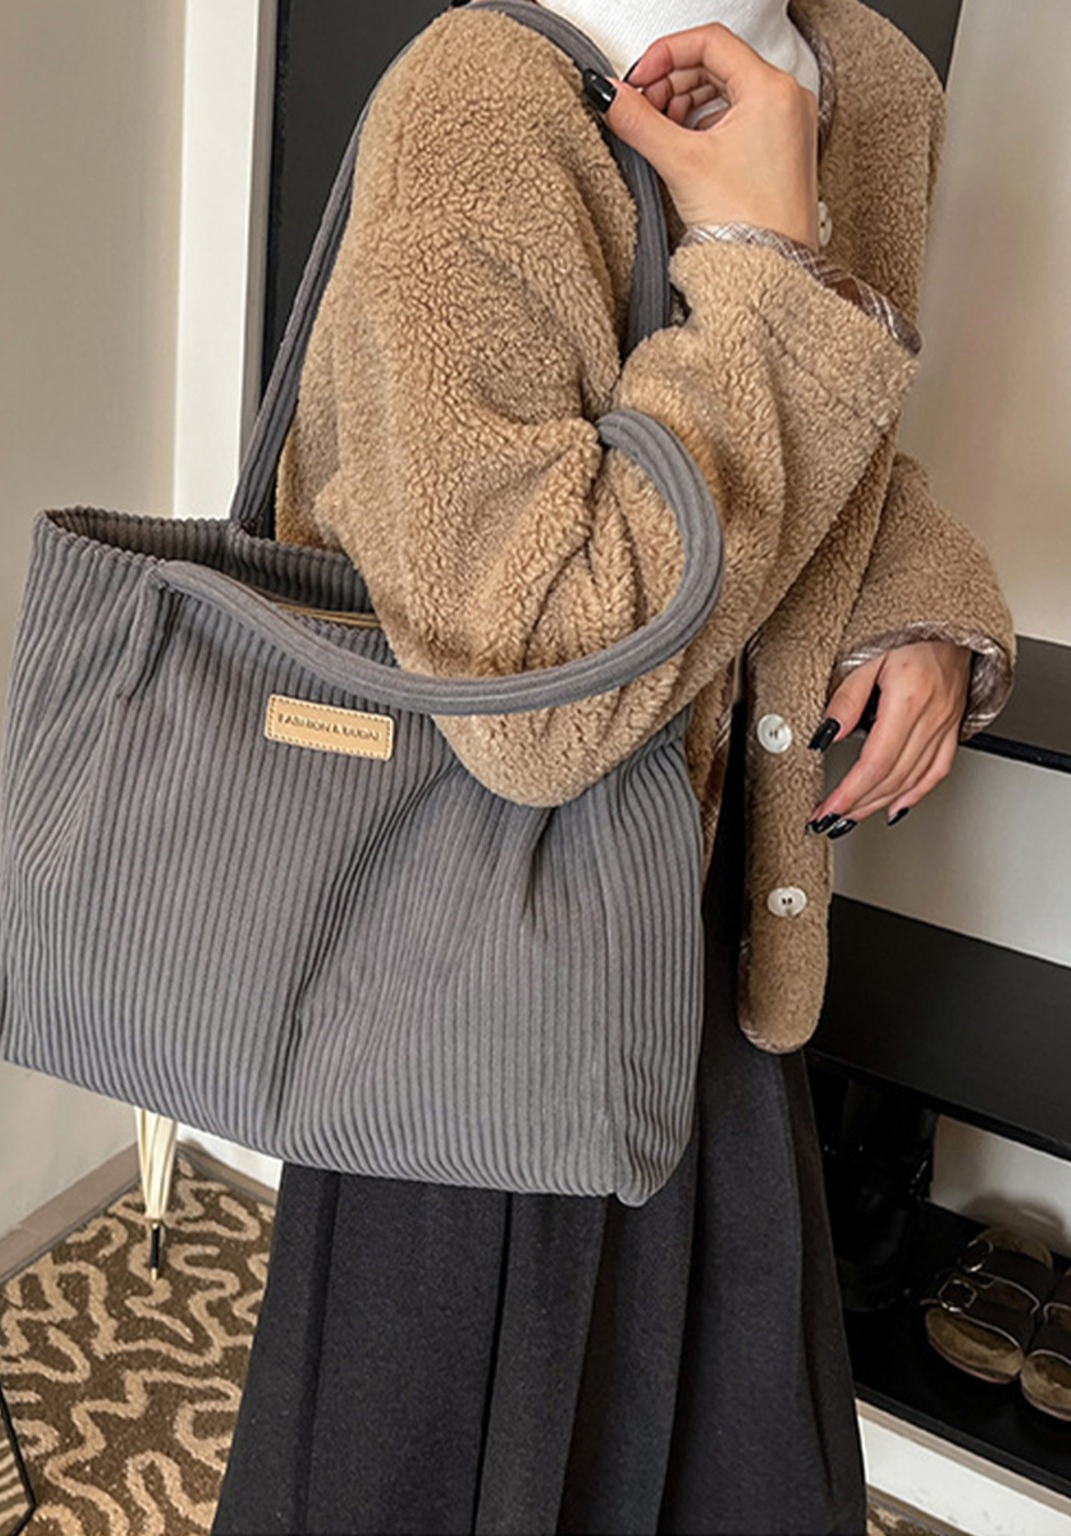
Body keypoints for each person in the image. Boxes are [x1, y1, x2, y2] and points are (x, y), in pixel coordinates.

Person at [212, 1, 1015, 1531]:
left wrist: (922, 599)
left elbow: (832, 449)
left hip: (720, 941)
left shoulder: (876, 81)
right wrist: (765, 264)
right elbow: (532, 692)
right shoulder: (477, 99)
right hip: (467, 972)